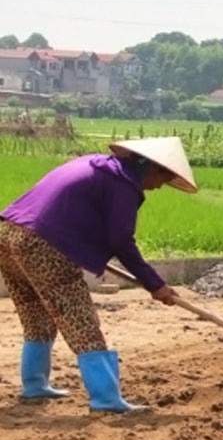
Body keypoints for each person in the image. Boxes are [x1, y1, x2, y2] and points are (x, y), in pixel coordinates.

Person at [0, 137, 197, 412]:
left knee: (36, 314)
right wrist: (156, 284)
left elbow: (77, 216)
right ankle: (106, 398)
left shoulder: (95, 165)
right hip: (43, 244)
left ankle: (34, 385)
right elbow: (121, 240)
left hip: (9, 234)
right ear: (152, 168)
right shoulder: (123, 184)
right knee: (81, 320)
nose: (161, 186)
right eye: (164, 178)